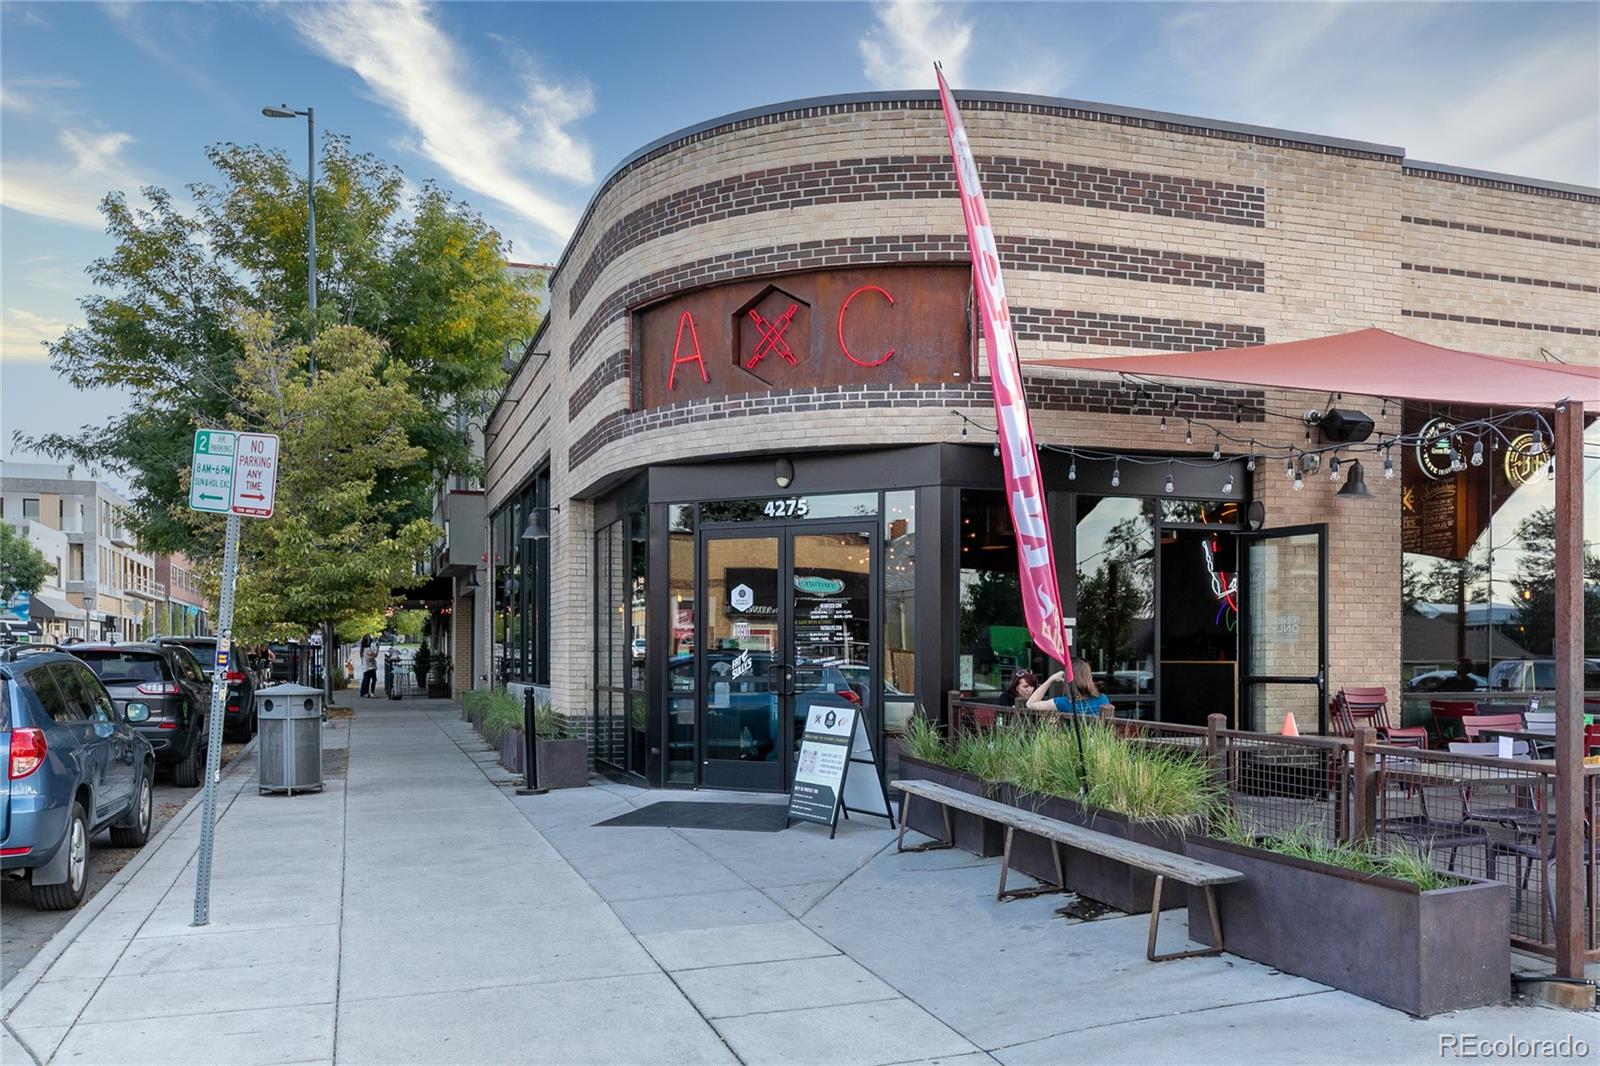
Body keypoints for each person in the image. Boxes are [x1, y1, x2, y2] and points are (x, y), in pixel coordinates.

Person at [1027, 660, 1112, 717]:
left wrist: (1050, 679)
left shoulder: (1063, 703)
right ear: (1088, 677)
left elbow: (1030, 704)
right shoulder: (1103, 699)